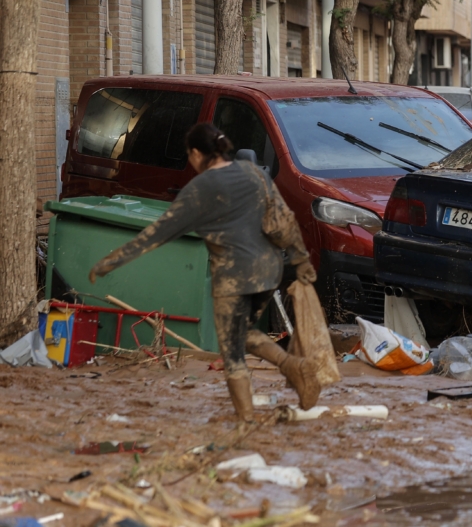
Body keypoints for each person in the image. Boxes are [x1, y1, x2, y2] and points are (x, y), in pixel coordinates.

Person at [89, 123, 321, 422]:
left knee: (233, 352)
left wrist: (110, 262)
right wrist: (301, 260)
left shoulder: (198, 190)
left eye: (190, 155)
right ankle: (293, 367)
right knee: (244, 334)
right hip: (269, 270)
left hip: (234, 278)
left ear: (198, 154)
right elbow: (283, 219)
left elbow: (156, 234)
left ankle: (247, 421)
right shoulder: (253, 172)